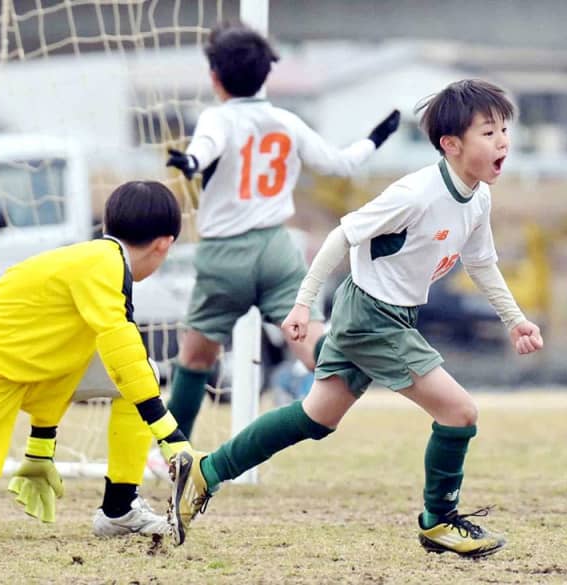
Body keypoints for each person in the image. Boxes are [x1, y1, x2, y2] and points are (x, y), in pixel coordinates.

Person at [167, 79, 544, 556]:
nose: (503, 141)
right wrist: (303, 303)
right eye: (489, 132)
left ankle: (206, 470)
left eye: (505, 129)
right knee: (459, 411)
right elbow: (341, 236)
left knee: (315, 417)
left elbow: (482, 263)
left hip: (386, 313)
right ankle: (438, 520)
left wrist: (515, 321)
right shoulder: (417, 193)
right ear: (451, 144)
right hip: (372, 317)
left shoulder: (478, 196)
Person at [164, 21, 400, 441]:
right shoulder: (286, 121)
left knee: (196, 358)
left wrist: (191, 163)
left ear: (214, 76)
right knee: (310, 342)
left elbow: (207, 147)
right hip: (277, 248)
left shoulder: (217, 118)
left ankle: (172, 448)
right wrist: (376, 139)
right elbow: (340, 163)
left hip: (224, 256)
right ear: (266, 74)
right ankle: (353, 359)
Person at [0, 181, 193, 535]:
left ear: (105, 227)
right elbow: (121, 344)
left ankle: (120, 508)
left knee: (138, 375)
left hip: (11, 367)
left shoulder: (98, 258)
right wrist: (169, 433)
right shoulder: (103, 264)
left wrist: (40, 445)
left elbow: (65, 358)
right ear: (165, 244)